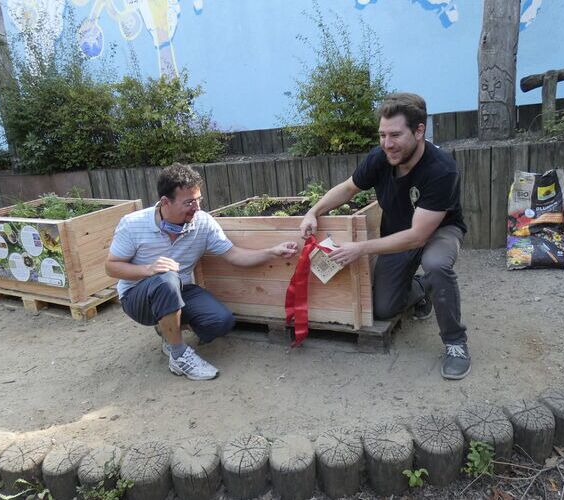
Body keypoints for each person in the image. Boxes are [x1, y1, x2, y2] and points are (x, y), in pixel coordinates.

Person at [299, 93, 470, 380]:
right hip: (396, 233)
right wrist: (312, 212)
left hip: (437, 232)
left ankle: (455, 343)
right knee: (383, 308)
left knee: (437, 264)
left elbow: (418, 236)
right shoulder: (381, 158)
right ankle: (421, 288)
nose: (387, 143)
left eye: (395, 135)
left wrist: (361, 248)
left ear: (419, 131)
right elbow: (348, 188)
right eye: (382, 135)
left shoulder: (442, 169)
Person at [106, 164, 298, 381]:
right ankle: (179, 356)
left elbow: (234, 254)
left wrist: (272, 252)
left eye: (199, 199)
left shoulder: (202, 223)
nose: (196, 207)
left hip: (180, 289)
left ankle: (168, 331)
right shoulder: (133, 224)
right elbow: (112, 266)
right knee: (166, 279)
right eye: (189, 202)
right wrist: (147, 269)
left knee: (221, 321)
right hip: (137, 296)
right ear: (165, 202)